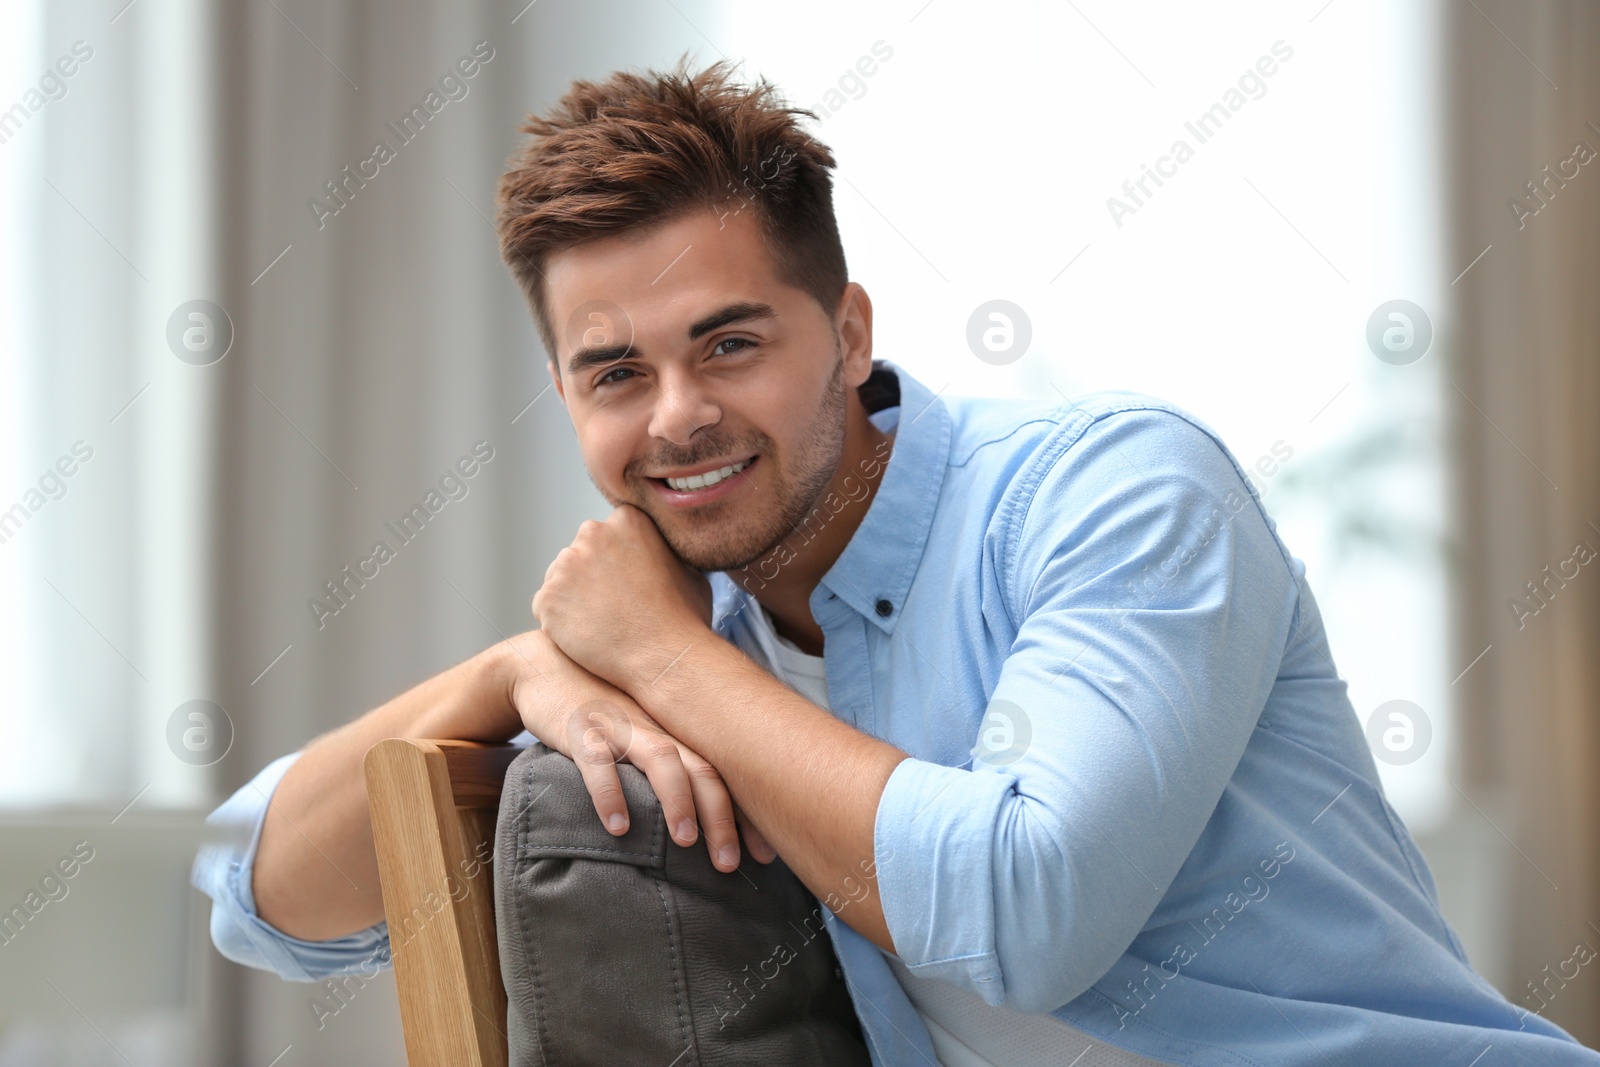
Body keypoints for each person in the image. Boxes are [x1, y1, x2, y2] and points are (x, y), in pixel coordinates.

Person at [194, 57, 1600, 1066]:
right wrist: (517, 667)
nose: (676, 416)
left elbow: (1026, 911)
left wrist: (659, 655)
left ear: (850, 332)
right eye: (614, 372)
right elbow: (261, 899)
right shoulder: (677, 627)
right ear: (565, 396)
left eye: (730, 343)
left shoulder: (1114, 492)